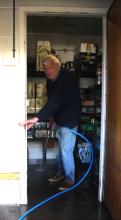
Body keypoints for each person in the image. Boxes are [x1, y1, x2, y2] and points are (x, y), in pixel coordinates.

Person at [20, 54, 81, 190]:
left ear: (58, 66)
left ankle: (70, 179)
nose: (47, 71)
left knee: (66, 150)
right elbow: (52, 101)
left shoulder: (67, 79)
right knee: (62, 149)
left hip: (70, 120)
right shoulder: (50, 81)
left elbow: (56, 101)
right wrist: (51, 117)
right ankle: (61, 174)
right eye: (45, 68)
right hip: (60, 119)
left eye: (50, 68)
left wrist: (36, 118)